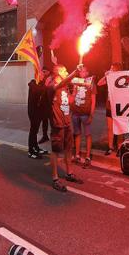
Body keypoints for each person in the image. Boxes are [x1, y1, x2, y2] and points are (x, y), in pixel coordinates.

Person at [46, 64, 84, 192]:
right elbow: (59, 84)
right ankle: (55, 178)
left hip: (68, 123)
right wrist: (74, 72)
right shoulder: (52, 85)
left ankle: (69, 173)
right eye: (65, 70)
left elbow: (70, 101)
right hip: (58, 123)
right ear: (58, 72)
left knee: (68, 149)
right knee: (56, 151)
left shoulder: (65, 87)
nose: (67, 72)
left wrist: (75, 90)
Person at [70, 65, 96, 168]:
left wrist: (91, 114)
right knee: (77, 134)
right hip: (76, 112)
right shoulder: (76, 82)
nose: (82, 73)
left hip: (85, 113)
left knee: (88, 134)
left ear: (87, 73)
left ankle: (88, 156)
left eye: (84, 71)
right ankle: (77, 154)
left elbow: (93, 100)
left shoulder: (91, 83)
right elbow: (73, 96)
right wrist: (74, 90)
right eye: (81, 72)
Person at [97, 62, 122, 155]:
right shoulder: (109, 79)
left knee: (119, 127)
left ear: (117, 70)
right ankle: (110, 147)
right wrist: (105, 76)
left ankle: (119, 147)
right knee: (109, 128)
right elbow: (99, 83)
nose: (110, 70)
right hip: (109, 105)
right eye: (110, 68)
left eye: (112, 69)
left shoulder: (121, 79)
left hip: (118, 105)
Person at [27, 67, 51, 159]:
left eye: (43, 74)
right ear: (36, 75)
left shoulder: (41, 84)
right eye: (40, 74)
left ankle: (36, 148)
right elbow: (38, 91)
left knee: (36, 131)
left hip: (40, 112)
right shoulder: (32, 83)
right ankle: (30, 151)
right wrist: (46, 84)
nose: (43, 76)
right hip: (33, 112)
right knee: (33, 131)